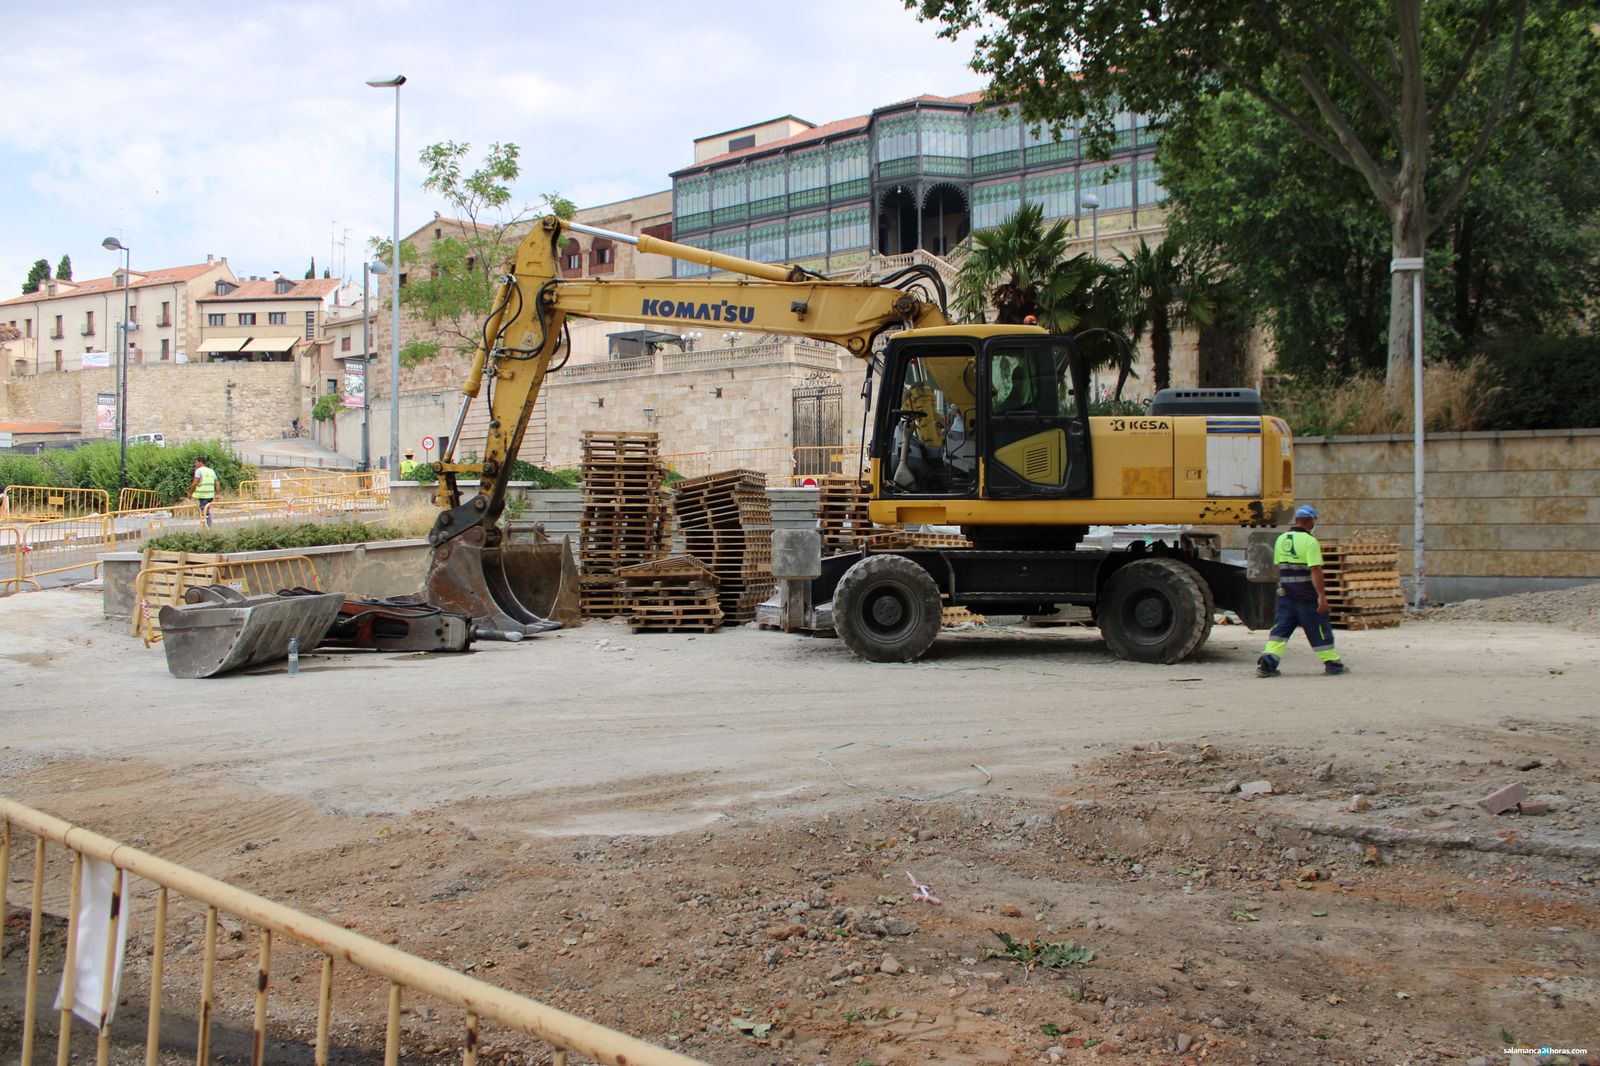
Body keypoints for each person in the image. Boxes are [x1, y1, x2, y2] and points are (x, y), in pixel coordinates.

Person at [1256, 504, 1347, 677]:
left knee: (1279, 632)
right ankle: (1333, 664)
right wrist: (1321, 596)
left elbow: (1280, 567)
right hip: (1306, 597)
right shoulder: (1310, 542)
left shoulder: (1281, 539)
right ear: (1309, 520)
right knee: (1319, 629)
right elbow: (1315, 570)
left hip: (1286, 596)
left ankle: (1267, 665)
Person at [189, 456, 217, 528]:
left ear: (200, 462)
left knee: (205, 513)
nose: (195, 464)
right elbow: (217, 483)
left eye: (196, 462)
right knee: (206, 511)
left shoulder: (199, 471)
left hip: (203, 495)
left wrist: (190, 493)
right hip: (210, 495)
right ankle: (207, 527)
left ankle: (207, 529)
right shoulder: (211, 471)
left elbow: (194, 483)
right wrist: (217, 494)